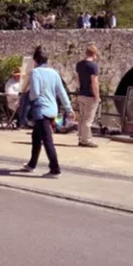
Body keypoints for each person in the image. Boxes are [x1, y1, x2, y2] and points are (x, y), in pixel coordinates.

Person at [22, 46, 74, 178]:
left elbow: (35, 93)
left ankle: (55, 169)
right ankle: (32, 164)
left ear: (35, 60)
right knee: (36, 136)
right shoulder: (54, 73)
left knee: (47, 140)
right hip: (52, 109)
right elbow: (62, 92)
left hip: (41, 110)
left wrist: (28, 97)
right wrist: (69, 108)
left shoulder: (35, 73)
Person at [75, 44, 101, 148]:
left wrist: (80, 90)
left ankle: (81, 138)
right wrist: (97, 96)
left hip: (81, 94)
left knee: (82, 118)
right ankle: (86, 140)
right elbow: (95, 83)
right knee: (88, 119)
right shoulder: (93, 66)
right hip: (90, 95)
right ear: (94, 54)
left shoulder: (79, 65)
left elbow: (77, 80)